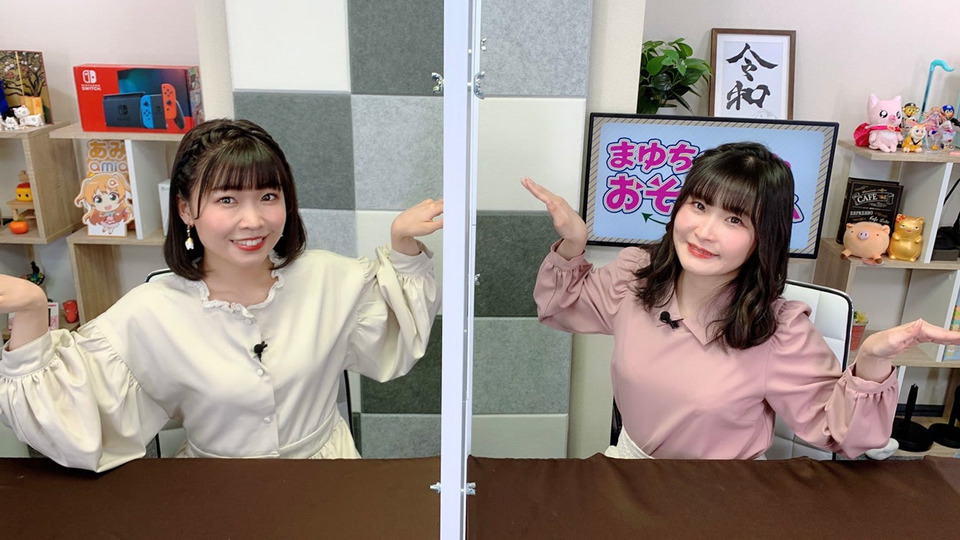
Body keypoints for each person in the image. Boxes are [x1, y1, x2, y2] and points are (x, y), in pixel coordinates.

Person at [0, 119, 443, 471]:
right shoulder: (151, 310)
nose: (253, 220)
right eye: (227, 200)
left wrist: (403, 248)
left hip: (327, 479)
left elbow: (397, 339)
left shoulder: (334, 278)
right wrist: (32, 309)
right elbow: (68, 421)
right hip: (214, 491)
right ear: (185, 208)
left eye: (268, 196)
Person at [522, 141, 960, 460]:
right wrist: (573, 244)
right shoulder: (637, 278)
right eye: (698, 205)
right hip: (631, 474)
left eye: (734, 219)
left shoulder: (778, 330)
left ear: (762, 238)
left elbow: (844, 435)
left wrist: (872, 362)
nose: (704, 232)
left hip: (722, 497)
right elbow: (561, 306)